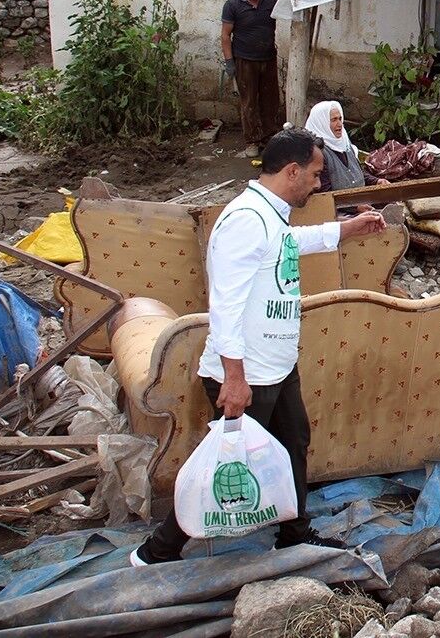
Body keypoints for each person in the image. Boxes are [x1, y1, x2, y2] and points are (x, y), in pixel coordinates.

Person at [130, 129, 389, 565]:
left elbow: (285, 247)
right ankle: (158, 551)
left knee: (294, 444)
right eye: (314, 173)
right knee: (227, 468)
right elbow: (225, 305)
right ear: (291, 171)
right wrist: (234, 376)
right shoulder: (246, 220)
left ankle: (294, 535)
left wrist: (344, 230)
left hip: (276, 367)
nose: (318, 182)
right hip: (247, 373)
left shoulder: (270, 216)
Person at [222, 0, 283, 159]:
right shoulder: (232, 5)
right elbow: (225, 35)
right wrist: (229, 62)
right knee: (249, 102)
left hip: (268, 59)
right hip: (245, 61)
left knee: (271, 101)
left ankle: (269, 138)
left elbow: (291, 6)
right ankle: (252, 142)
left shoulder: (272, 1)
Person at [304, 101, 379, 193]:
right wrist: (355, 206)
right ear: (322, 123)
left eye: (340, 119)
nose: (339, 124)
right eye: (334, 120)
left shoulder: (345, 143)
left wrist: (376, 181)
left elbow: (356, 172)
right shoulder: (318, 152)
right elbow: (324, 192)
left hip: (361, 201)